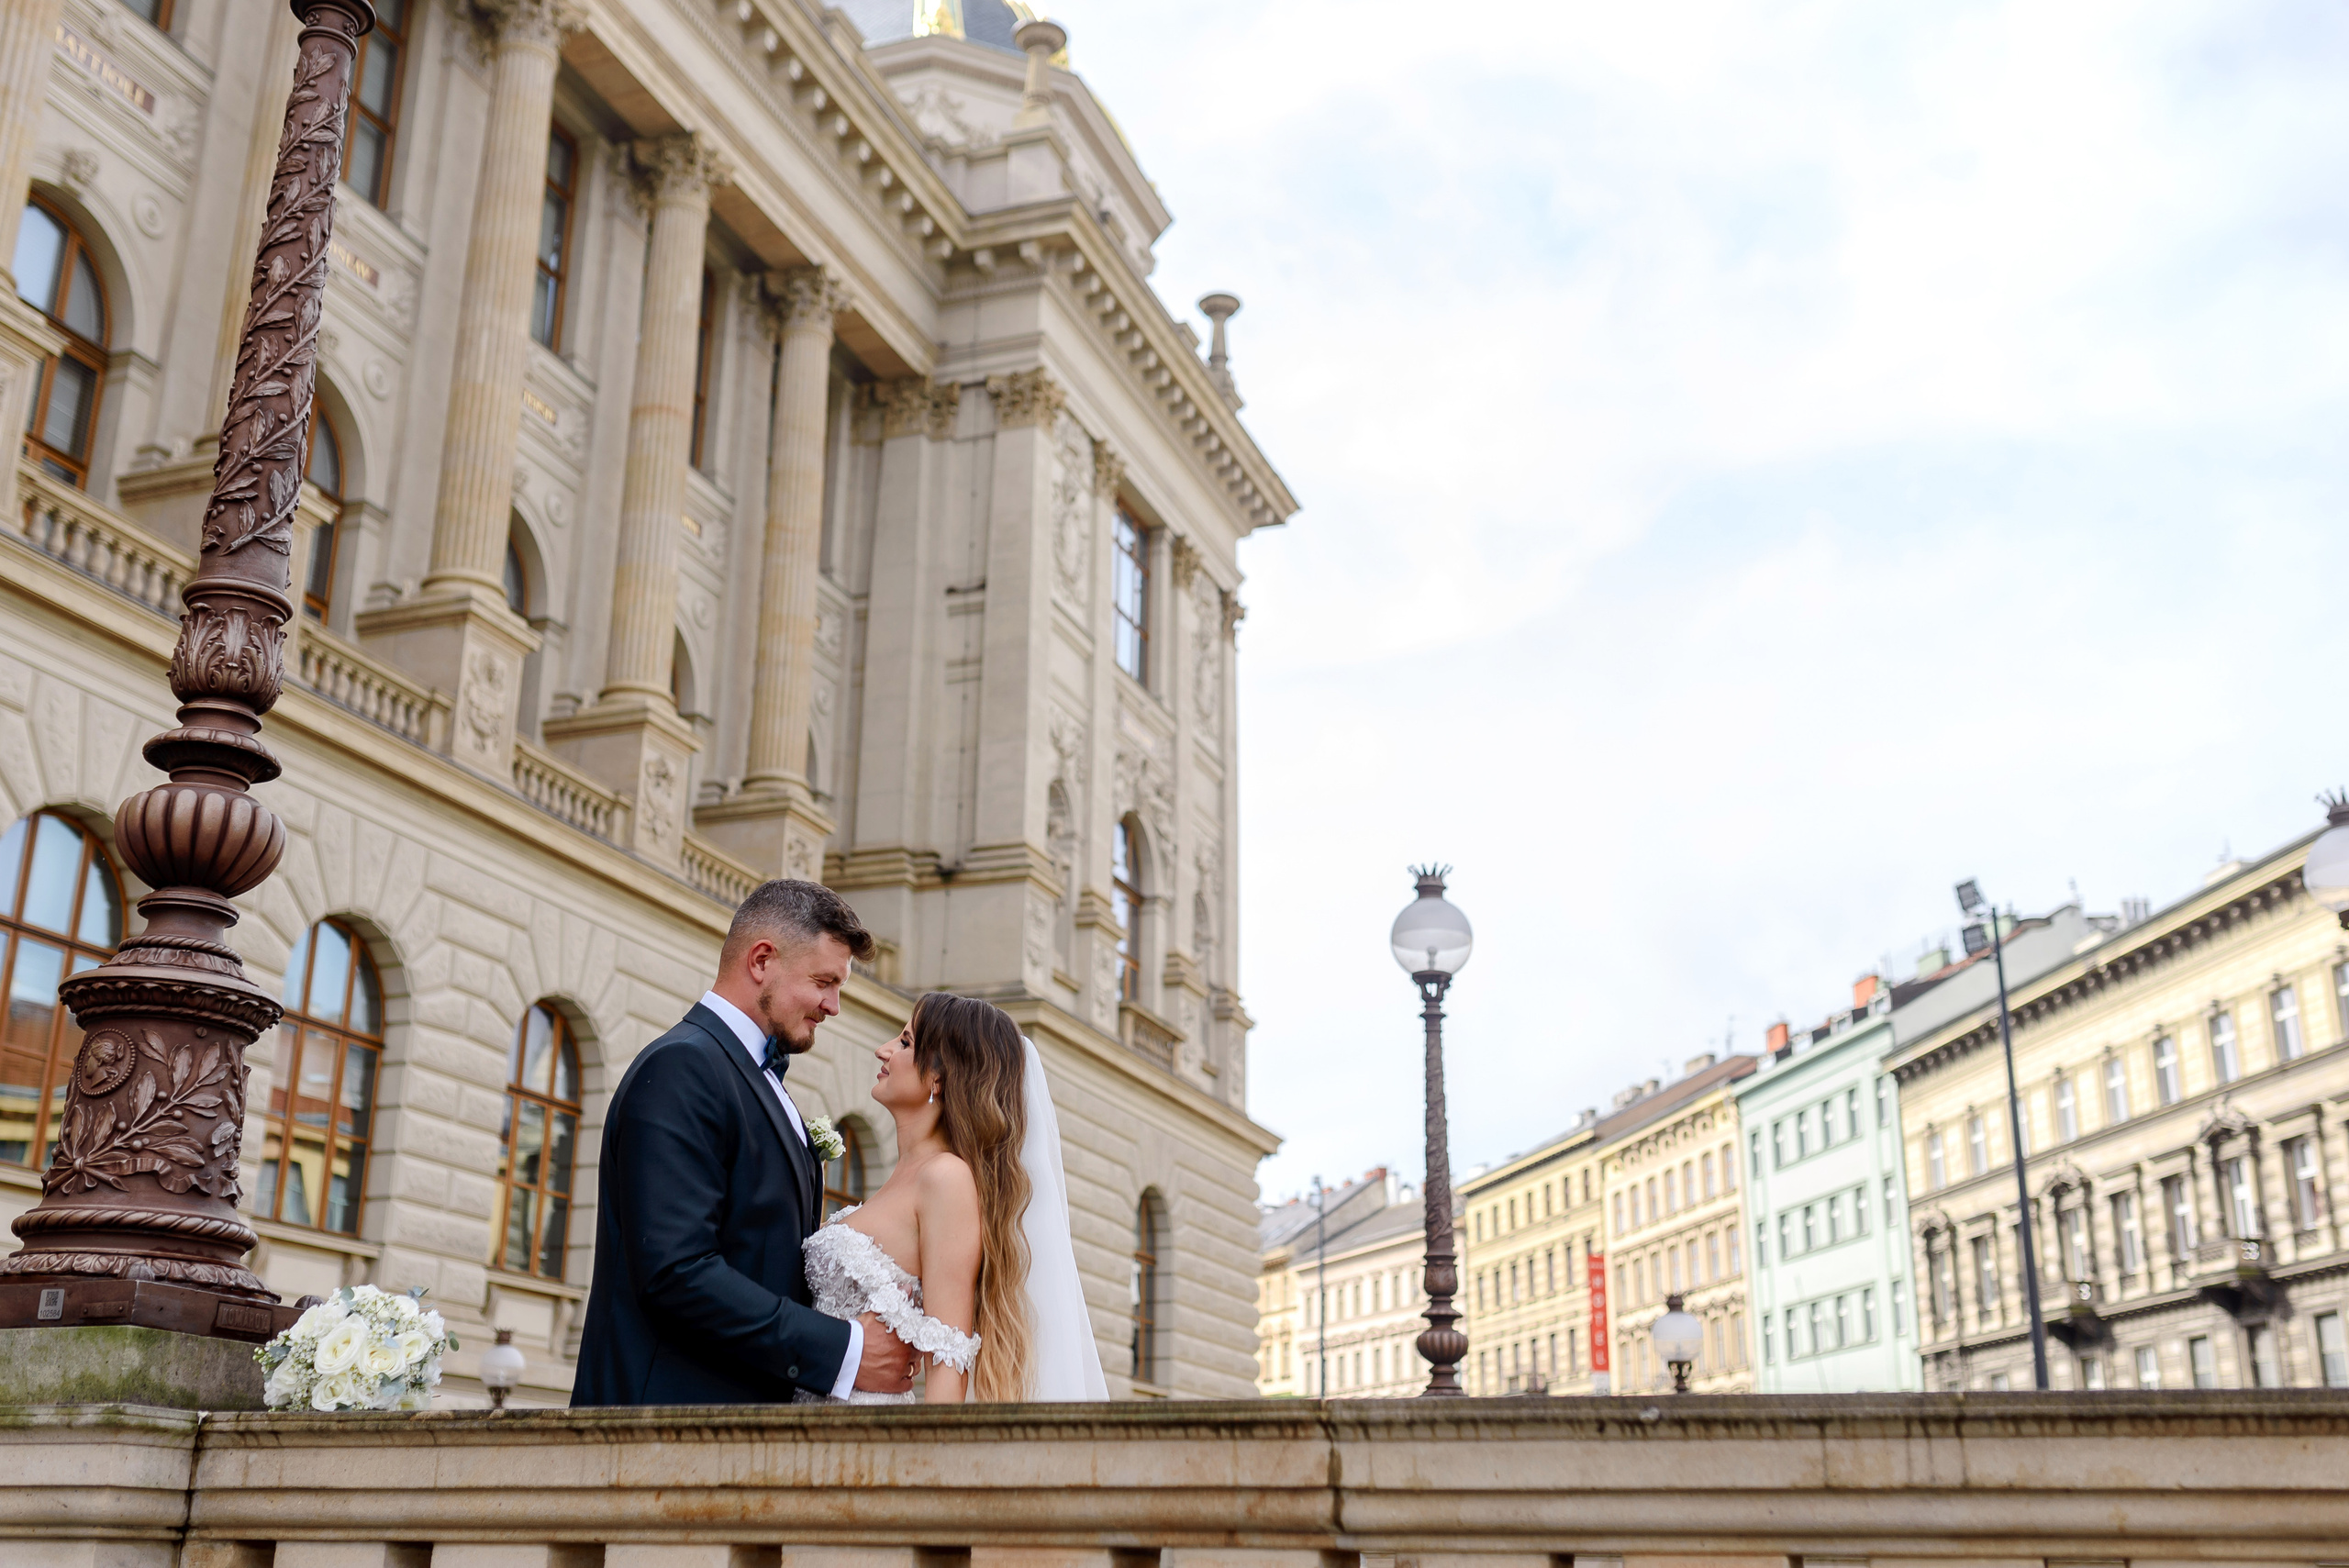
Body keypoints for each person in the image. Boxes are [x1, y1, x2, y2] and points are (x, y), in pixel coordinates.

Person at [572, 880, 918, 1406]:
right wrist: (843, 1351)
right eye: (824, 982)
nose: (833, 1006)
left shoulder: (750, 1075)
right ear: (761, 961)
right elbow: (676, 1273)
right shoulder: (683, 1067)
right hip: (665, 1426)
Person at [799, 991, 1108, 1402]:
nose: (883, 1050)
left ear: (939, 1078)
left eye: (905, 1043)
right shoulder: (907, 1175)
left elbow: (949, 1357)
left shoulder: (946, 1179)